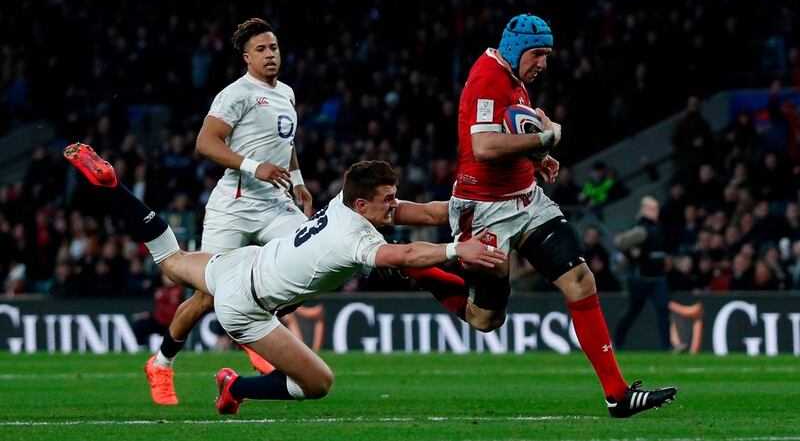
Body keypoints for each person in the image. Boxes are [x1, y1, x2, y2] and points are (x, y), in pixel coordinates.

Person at [64, 143, 506, 414]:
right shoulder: (355, 238)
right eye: (387, 200)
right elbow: (407, 252)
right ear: (361, 206)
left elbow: (423, 217)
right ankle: (234, 385)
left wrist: (482, 207)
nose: (394, 205)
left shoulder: (342, 204)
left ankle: (113, 187)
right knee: (318, 384)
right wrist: (456, 249)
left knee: (171, 259)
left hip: (243, 262)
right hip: (248, 306)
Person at [434, 13, 676, 417]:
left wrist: (538, 157)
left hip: (527, 201)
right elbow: (485, 148)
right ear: (515, 49)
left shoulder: (515, 81)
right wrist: (545, 137)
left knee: (581, 279)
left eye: (546, 55)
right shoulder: (488, 78)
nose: (544, 63)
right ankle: (418, 266)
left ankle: (617, 394)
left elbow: (511, 140)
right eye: (539, 54)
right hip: (486, 210)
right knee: (485, 319)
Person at [145, 17, 314, 405]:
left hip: (276, 204)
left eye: (273, 48)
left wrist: (298, 179)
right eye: (261, 50)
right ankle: (161, 363)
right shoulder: (235, 94)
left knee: (306, 267)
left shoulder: (286, 92)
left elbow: (284, 143)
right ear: (246, 57)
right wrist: (256, 168)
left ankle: (251, 328)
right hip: (235, 205)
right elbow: (206, 142)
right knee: (205, 298)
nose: (270, 55)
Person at [614, 196, 671, 350]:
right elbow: (620, 243)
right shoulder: (639, 228)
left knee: (663, 310)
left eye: (656, 208)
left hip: (658, 277)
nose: (655, 212)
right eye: (652, 209)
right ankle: (617, 341)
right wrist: (631, 254)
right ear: (644, 210)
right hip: (641, 278)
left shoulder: (659, 227)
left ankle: (668, 346)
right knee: (633, 310)